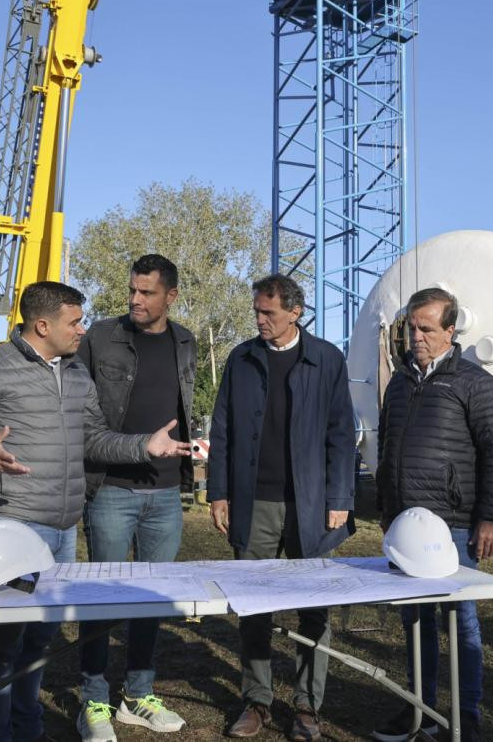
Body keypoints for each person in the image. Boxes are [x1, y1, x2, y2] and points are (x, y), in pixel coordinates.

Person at [0, 281, 190, 742]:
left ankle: (28, 729)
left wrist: (143, 445)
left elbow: (94, 438)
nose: (82, 330)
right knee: (0, 648)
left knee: (39, 643)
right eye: (75, 321)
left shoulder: (75, 374)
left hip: (63, 528)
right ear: (43, 324)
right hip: (7, 526)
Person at [206, 274, 355, 741]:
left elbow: (340, 434)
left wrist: (340, 499)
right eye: (257, 311)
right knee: (253, 605)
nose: (260, 320)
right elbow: (224, 429)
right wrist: (218, 492)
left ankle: (308, 707)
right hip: (255, 503)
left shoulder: (326, 358)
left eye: (268, 312)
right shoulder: (241, 358)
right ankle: (257, 701)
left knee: (314, 607)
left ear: (296, 312)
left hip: (311, 505)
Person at [371, 287, 493, 742]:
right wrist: (387, 509)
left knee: (461, 618)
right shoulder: (398, 382)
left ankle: (467, 716)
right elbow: (388, 447)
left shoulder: (475, 383)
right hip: (405, 524)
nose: (416, 336)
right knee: (415, 620)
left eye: (427, 329)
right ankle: (421, 708)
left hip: (452, 524)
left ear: (450, 331)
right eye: (411, 327)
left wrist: (490, 517)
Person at [75, 255, 197, 740]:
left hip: (165, 494)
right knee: (102, 598)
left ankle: (138, 694)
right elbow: (82, 416)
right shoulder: (102, 337)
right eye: (132, 291)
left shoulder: (185, 340)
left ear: (171, 296)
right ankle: (95, 700)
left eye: (146, 292)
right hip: (111, 489)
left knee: (152, 599)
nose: (135, 300)